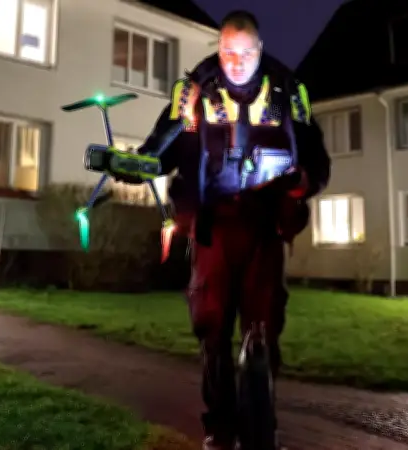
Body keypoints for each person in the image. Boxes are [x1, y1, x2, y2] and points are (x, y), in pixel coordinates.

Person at [119, 10, 330, 450]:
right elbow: (162, 147)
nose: (236, 63)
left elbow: (317, 161)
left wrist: (302, 182)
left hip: (265, 228)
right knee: (212, 327)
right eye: (228, 52)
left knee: (264, 328)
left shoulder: (289, 92)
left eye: (245, 53)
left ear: (260, 50)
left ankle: (261, 428)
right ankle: (219, 428)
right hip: (213, 226)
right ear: (219, 49)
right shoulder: (193, 93)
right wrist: (135, 166)